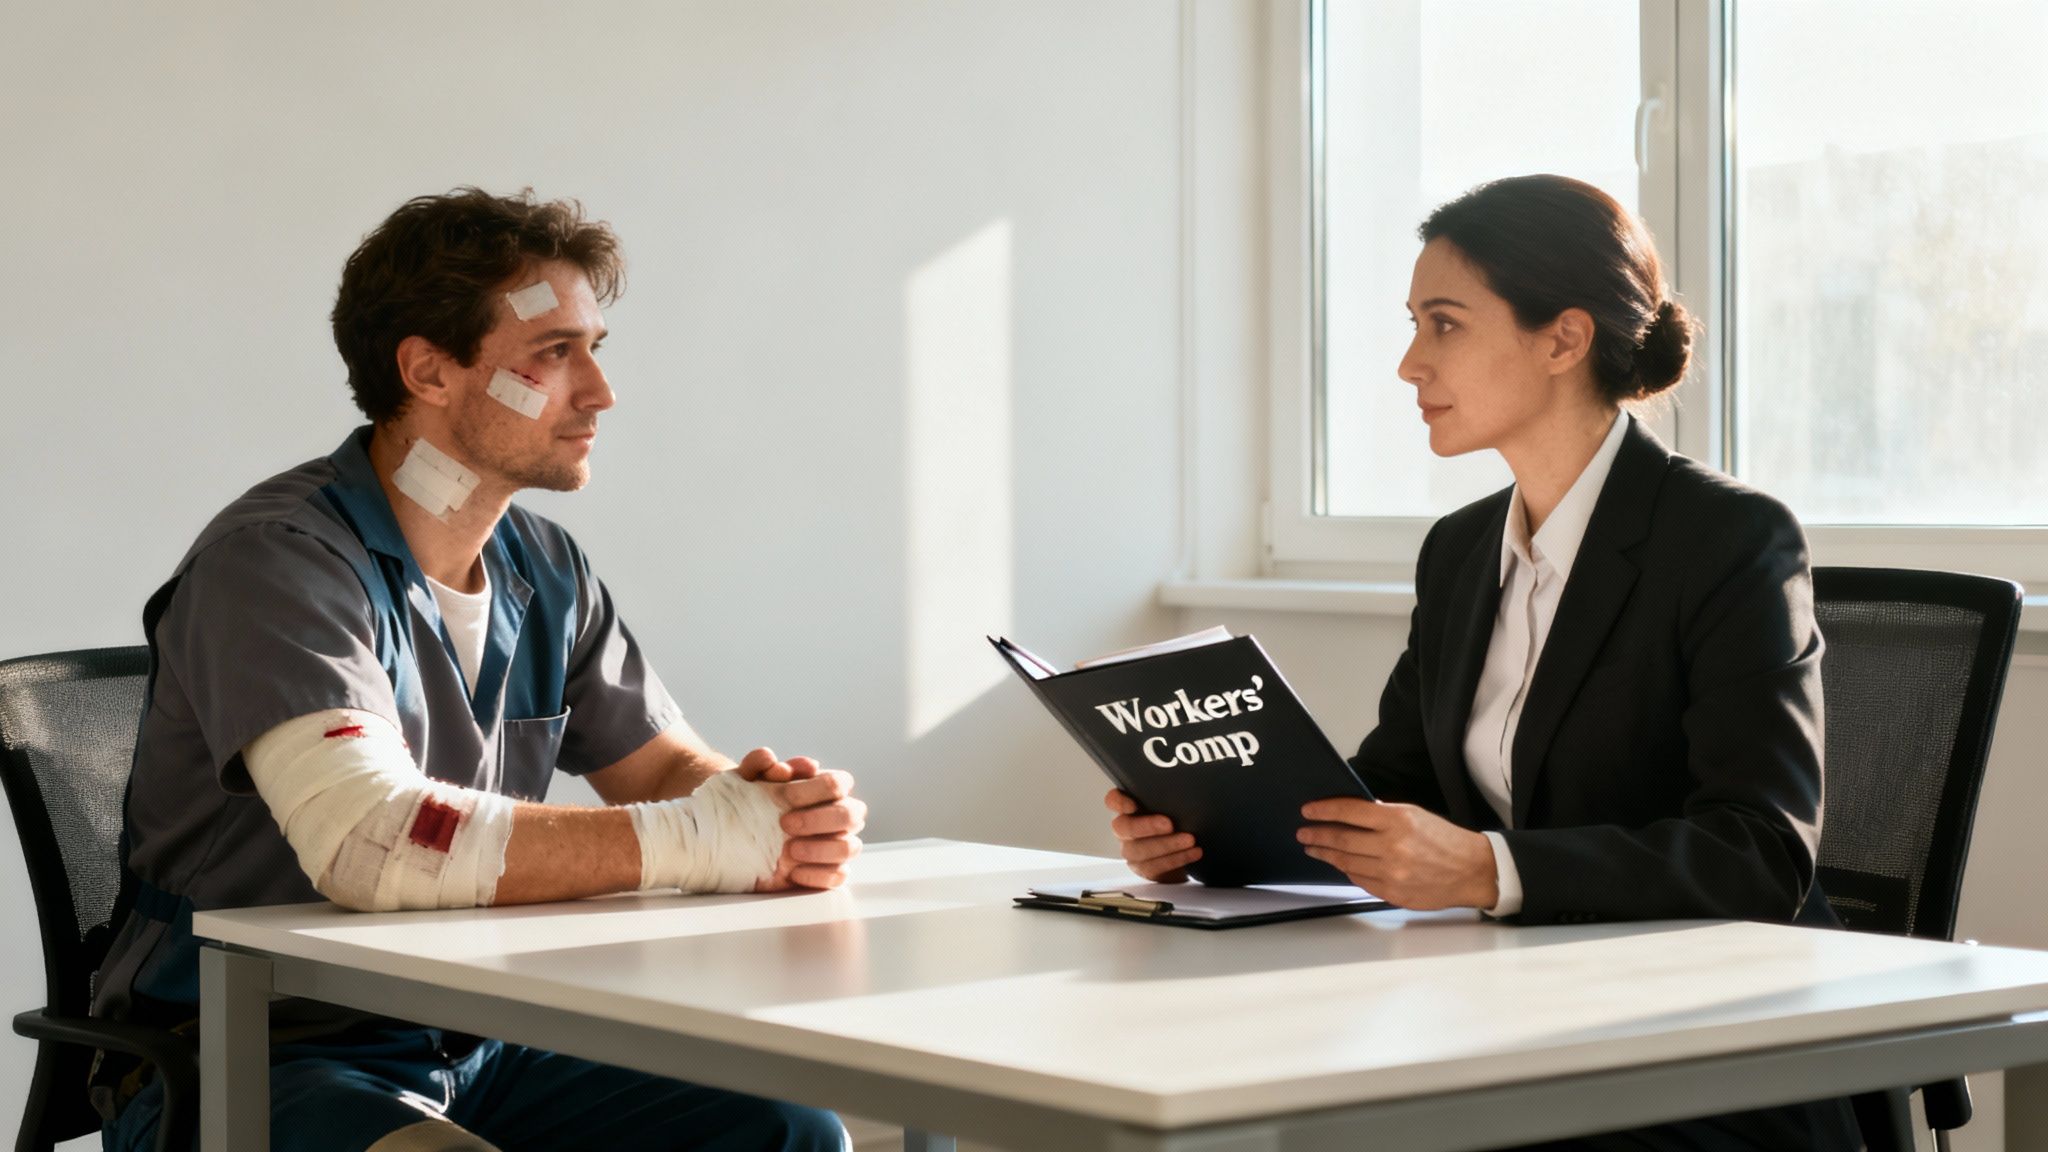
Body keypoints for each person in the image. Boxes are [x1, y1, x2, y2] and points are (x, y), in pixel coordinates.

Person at [92, 188, 864, 1152]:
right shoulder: (278, 562)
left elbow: (666, 772)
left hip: (479, 1040)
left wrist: (775, 816)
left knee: (790, 1133)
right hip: (252, 1053)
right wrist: (709, 838)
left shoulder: (544, 568)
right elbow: (374, 845)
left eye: (595, 348)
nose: (600, 392)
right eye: (554, 353)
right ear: (427, 370)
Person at [1105, 174, 1861, 1149]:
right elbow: (1389, 791)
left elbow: (1756, 853)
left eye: (1443, 324)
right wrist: (1208, 833)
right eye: (1413, 323)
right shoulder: (1461, 553)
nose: (1408, 363)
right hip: (1510, 1011)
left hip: (1699, 1042)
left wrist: (1484, 868)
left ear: (1562, 338)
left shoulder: (1726, 539)